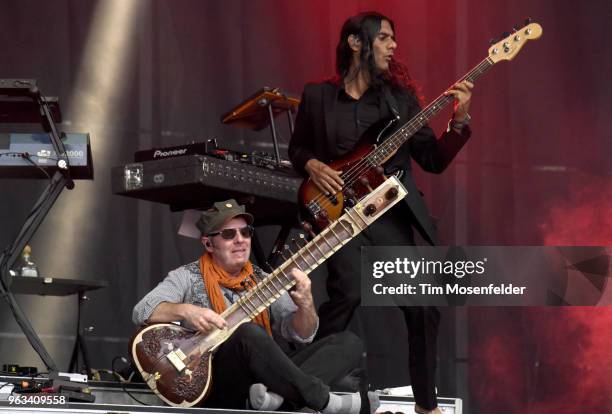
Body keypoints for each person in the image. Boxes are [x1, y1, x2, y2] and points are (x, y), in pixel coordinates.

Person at [288, 12, 474, 414]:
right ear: (357, 43)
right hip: (339, 218)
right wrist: (312, 166)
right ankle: (304, 394)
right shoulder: (318, 96)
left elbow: (433, 160)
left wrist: (458, 121)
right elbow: (297, 148)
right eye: (385, 38)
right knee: (348, 296)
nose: (393, 46)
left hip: (387, 217)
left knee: (424, 307)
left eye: (394, 39)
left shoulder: (400, 102)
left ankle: (427, 407)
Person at [132, 199, 376, 413]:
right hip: (217, 381)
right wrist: (186, 311)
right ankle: (322, 401)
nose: (240, 240)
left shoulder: (263, 280)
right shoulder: (186, 276)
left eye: (245, 232)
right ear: (208, 244)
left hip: (262, 382)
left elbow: (301, 335)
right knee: (246, 333)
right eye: (229, 235)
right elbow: (142, 310)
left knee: (348, 343)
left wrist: (306, 305)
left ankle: (276, 400)